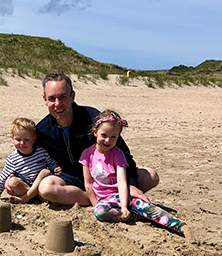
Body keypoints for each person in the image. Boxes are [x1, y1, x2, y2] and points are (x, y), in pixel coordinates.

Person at [35, 72, 159, 206]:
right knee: (46, 188)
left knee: (151, 176)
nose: (58, 104)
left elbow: (123, 153)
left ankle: (107, 196)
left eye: (63, 97)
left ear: (72, 96)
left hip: (104, 176)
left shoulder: (92, 118)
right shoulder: (42, 130)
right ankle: (93, 199)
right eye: (52, 98)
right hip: (70, 179)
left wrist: (131, 184)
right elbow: (30, 157)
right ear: (45, 99)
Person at [79, 109, 195, 242]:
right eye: (103, 135)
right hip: (104, 202)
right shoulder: (87, 155)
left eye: (113, 137)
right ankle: (135, 216)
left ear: (118, 137)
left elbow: (122, 182)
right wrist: (95, 204)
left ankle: (181, 226)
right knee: (100, 212)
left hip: (120, 196)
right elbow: (88, 184)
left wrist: (123, 205)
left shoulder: (118, 154)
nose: (107, 140)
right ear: (95, 132)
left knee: (149, 208)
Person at [0, 117, 62, 205]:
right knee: (12, 182)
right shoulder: (12, 159)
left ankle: (27, 198)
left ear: (34, 139)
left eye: (26, 140)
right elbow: (2, 179)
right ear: (12, 139)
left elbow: (51, 163)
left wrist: (55, 168)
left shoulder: (41, 152)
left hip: (40, 185)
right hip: (25, 188)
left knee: (45, 172)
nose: (22, 143)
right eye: (18, 140)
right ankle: (35, 196)